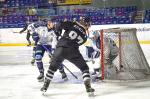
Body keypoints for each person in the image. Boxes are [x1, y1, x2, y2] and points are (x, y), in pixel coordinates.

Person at [40, 17, 95, 96]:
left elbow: (59, 24)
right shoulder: (85, 37)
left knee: (52, 68)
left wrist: (58, 33)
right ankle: (88, 88)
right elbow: (76, 42)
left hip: (61, 48)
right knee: (84, 68)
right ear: (87, 24)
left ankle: (44, 87)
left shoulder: (73, 24)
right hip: (73, 51)